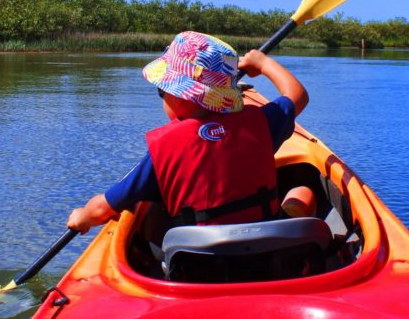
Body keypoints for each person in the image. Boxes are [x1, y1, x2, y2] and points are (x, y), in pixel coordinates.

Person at [67, 31, 309, 234]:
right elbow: (297, 95)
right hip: (265, 254)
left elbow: (102, 209)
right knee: (303, 191)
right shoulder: (263, 123)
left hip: (196, 265)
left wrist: (82, 216)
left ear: (182, 96)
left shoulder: (163, 151)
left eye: (161, 91)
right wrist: (263, 63)